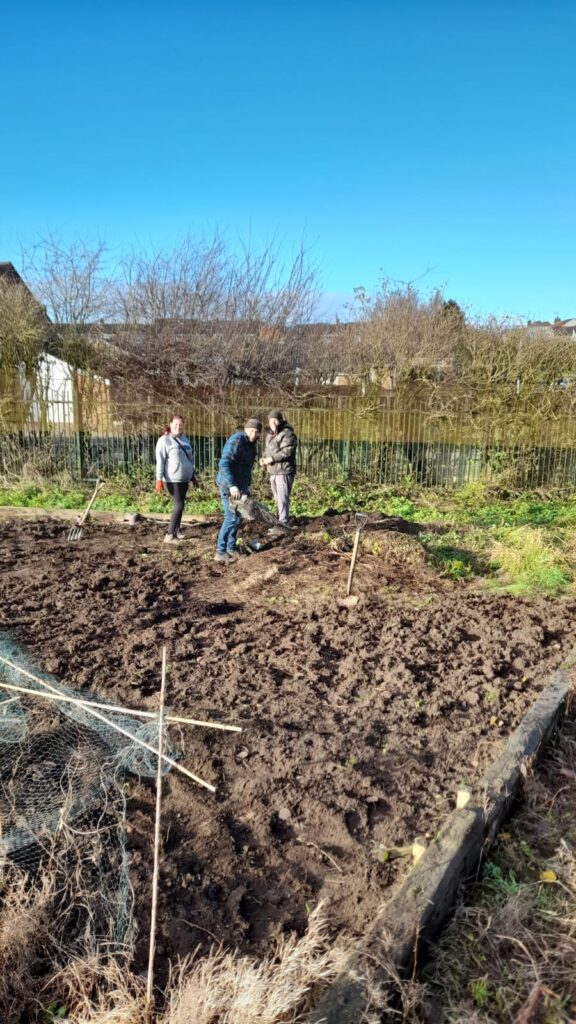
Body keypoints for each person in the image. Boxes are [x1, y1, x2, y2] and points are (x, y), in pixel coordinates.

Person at [215, 417, 262, 563]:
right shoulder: (237, 441)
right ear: (246, 429)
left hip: (241, 487)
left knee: (238, 518)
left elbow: (247, 468)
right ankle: (220, 551)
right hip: (227, 485)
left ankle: (231, 548)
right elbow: (224, 464)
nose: (253, 434)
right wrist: (232, 485)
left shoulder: (251, 444)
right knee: (231, 517)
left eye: (256, 432)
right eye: (251, 430)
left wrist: (247, 485)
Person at [155, 415, 197, 544]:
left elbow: (189, 459)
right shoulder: (164, 440)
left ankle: (176, 531)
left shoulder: (185, 439)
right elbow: (160, 460)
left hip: (185, 478)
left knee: (181, 505)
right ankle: (169, 535)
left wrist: (193, 475)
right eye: (175, 425)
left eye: (180, 425)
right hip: (172, 479)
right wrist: (159, 479)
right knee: (178, 505)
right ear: (170, 424)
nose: (178, 427)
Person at [260, 409, 297, 526]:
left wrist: (271, 459)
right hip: (273, 471)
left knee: (282, 498)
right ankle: (279, 520)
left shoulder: (287, 434)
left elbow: (287, 452)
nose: (273, 423)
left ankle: (283, 522)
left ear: (280, 420)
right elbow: (267, 451)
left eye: (275, 420)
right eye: (271, 420)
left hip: (284, 471)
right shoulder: (269, 436)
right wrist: (263, 458)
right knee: (277, 498)